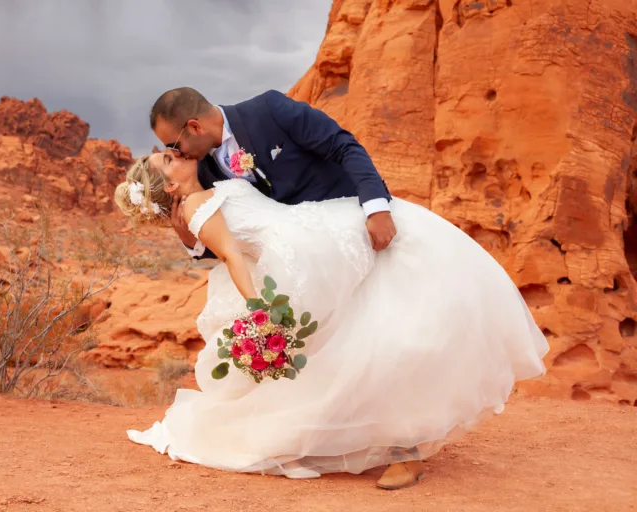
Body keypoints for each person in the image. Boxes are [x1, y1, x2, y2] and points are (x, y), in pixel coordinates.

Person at [114, 149, 549, 490]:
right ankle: (392, 441)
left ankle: (399, 439)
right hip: (300, 257)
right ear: (169, 186)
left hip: (318, 227)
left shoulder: (210, 182)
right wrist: (259, 311)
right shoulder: (193, 207)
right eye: (166, 160)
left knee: (386, 300)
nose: (175, 154)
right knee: (352, 344)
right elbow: (229, 254)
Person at [146, 87, 397, 261]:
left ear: (194, 126)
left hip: (359, 228)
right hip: (308, 267)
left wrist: (376, 208)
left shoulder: (269, 109)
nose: (176, 154)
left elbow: (342, 145)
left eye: (174, 145)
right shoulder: (204, 173)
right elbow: (236, 240)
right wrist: (190, 241)